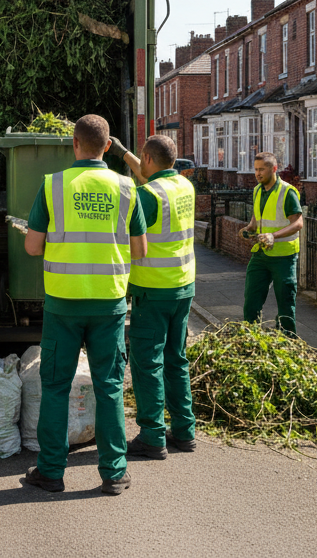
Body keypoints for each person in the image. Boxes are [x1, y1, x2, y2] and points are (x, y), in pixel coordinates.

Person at [22, 114, 147, 496]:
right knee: (109, 386)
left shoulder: (53, 185)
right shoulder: (127, 187)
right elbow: (140, 251)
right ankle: (113, 474)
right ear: (108, 147)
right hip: (109, 302)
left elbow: (31, 246)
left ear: (74, 144)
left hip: (63, 304)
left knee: (56, 387)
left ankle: (51, 472)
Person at [109, 134, 198, 460]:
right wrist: (125, 154)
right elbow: (151, 176)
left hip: (153, 290)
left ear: (148, 159)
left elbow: (144, 193)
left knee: (147, 364)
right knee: (176, 359)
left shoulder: (146, 196)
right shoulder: (184, 187)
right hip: (183, 287)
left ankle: (152, 436)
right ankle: (185, 431)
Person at [240, 152, 303, 333]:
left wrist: (273, 236)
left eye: (262, 169)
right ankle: (249, 339)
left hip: (284, 257)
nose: (258, 174)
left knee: (285, 303)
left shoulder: (287, 192)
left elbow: (298, 223)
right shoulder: (257, 190)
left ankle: (288, 342)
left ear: (274, 169)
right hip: (261, 255)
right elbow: (256, 219)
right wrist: (248, 229)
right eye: (256, 170)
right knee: (251, 301)